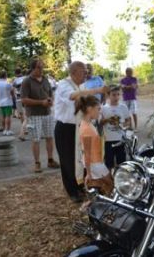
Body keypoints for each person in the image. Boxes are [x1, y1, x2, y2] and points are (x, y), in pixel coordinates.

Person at [54, 61, 108, 203]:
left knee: (82, 159)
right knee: (68, 160)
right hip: (66, 129)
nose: (86, 73)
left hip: (80, 127)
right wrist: (97, 90)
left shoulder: (82, 85)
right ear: (74, 72)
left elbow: (87, 103)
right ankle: (72, 191)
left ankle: (81, 187)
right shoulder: (63, 85)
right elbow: (73, 96)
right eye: (83, 71)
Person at [21, 58, 59, 172]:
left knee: (49, 137)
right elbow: (24, 99)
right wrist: (40, 102)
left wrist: (51, 100)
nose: (41, 69)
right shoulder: (27, 81)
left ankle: (50, 160)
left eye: (42, 67)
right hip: (33, 115)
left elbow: (50, 94)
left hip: (47, 113)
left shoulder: (46, 79)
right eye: (39, 67)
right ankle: (37, 163)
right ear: (32, 68)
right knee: (35, 139)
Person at [77, 95, 113, 195]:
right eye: (98, 109)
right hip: (94, 164)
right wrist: (88, 173)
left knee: (104, 186)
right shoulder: (86, 129)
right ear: (89, 109)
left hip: (97, 162)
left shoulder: (89, 124)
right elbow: (86, 152)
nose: (100, 111)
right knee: (110, 185)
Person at [101, 85, 131, 169]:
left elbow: (128, 120)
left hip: (121, 139)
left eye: (118, 94)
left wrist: (123, 125)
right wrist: (108, 120)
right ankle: (110, 180)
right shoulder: (104, 108)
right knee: (109, 163)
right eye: (113, 95)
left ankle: (121, 180)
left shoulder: (123, 107)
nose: (116, 97)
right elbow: (100, 123)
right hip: (108, 140)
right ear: (108, 95)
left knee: (122, 163)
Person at [0, 70, 15, 136]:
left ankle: (4, 130)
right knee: (8, 116)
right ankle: (8, 130)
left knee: (3, 116)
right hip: (7, 101)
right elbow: (12, 92)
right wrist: (13, 96)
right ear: (5, 75)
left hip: (0, 102)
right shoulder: (7, 83)